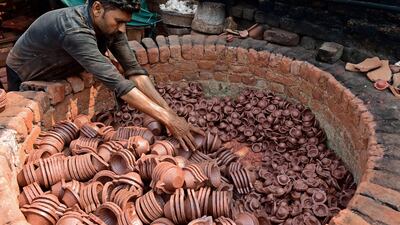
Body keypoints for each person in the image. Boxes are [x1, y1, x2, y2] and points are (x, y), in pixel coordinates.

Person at [5, 0, 202, 151]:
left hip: (59, 65)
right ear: (97, 8)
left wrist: (171, 114)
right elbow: (119, 84)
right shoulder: (74, 29)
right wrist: (169, 120)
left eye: (125, 23)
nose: (122, 29)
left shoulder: (110, 27)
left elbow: (134, 72)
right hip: (25, 71)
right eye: (118, 21)